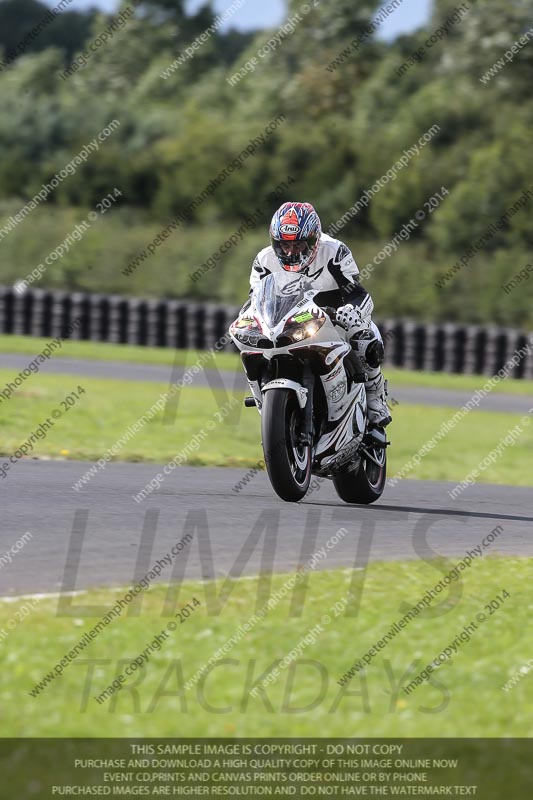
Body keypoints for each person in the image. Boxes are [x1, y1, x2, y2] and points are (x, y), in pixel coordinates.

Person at [244, 201, 392, 428]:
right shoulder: (264, 261)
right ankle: (265, 403)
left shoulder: (334, 252)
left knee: (365, 337)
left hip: (332, 319)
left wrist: (351, 311)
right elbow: (254, 300)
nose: (291, 252)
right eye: (284, 245)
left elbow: (358, 293)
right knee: (251, 345)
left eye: (299, 245)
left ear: (314, 240)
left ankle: (374, 398)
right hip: (289, 322)